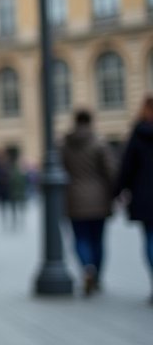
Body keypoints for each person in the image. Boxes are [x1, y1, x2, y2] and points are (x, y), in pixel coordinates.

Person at [61, 110, 117, 295]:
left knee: (80, 238)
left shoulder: (65, 144)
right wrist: (115, 193)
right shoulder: (99, 143)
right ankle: (97, 277)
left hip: (74, 198)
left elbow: (60, 170)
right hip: (99, 199)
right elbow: (111, 171)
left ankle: (87, 268)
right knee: (98, 240)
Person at [115, 93, 153, 303]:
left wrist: (119, 191)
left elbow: (127, 166)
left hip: (146, 196)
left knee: (150, 238)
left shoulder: (138, 134)